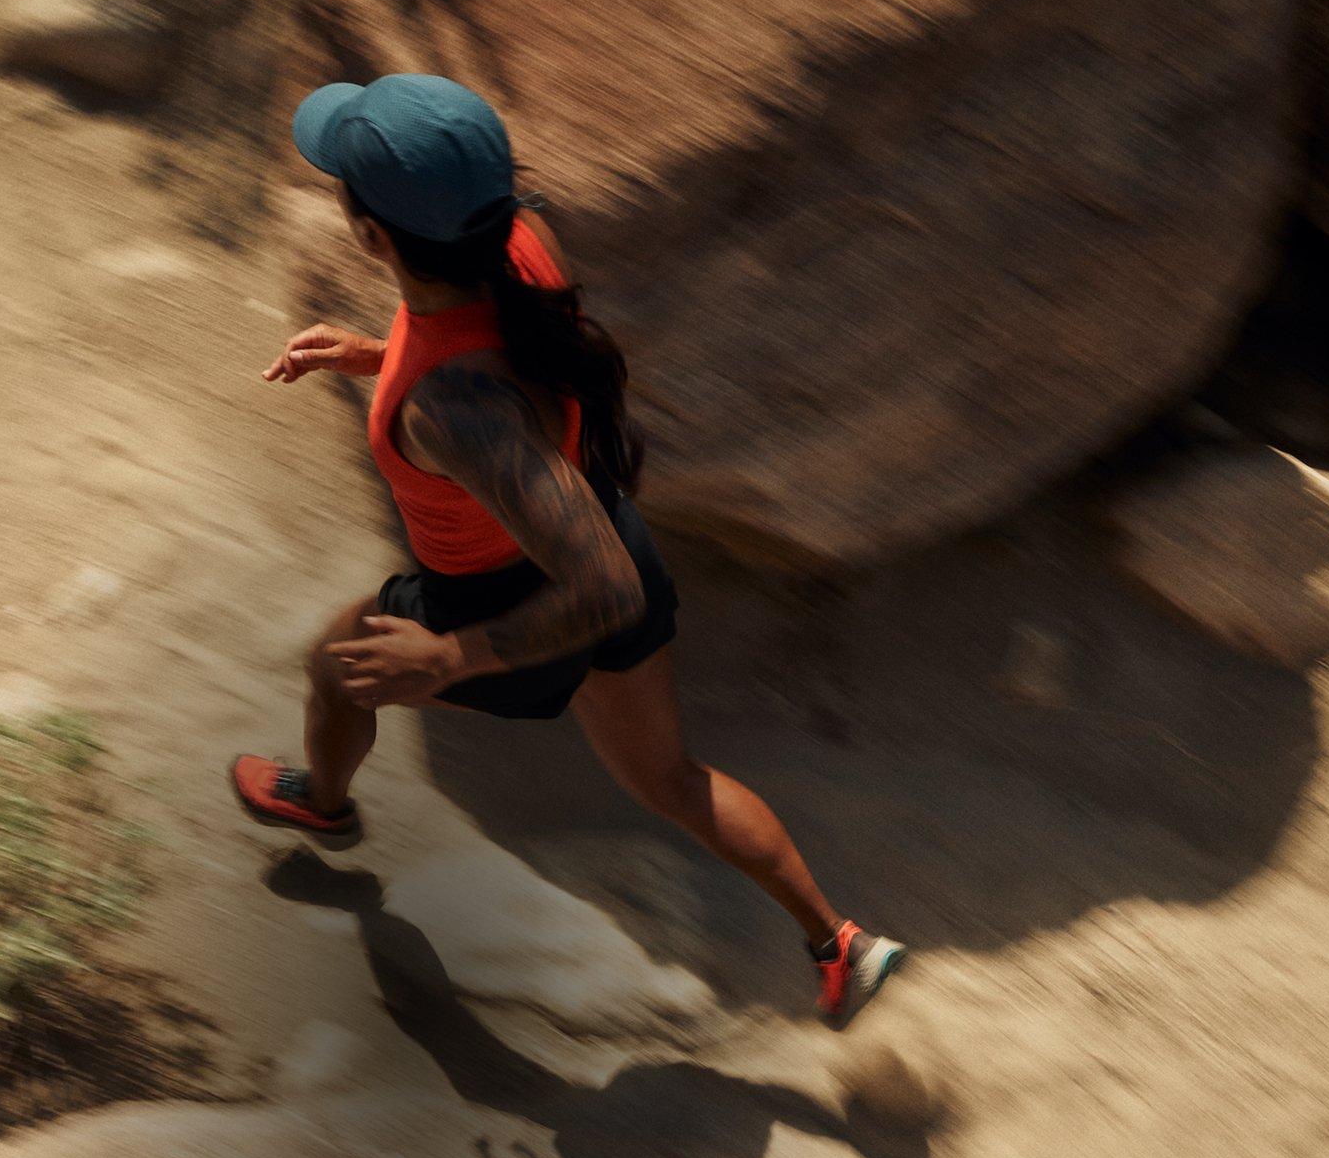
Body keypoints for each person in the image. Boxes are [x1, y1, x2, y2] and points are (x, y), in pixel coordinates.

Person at [229, 73, 904, 1023]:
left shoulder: (453, 412)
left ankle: (323, 805)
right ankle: (844, 945)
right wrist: (381, 355)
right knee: (670, 780)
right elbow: (499, 354)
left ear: (372, 237)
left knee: (338, 665)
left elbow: (595, 579)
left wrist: (450, 654)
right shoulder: (520, 238)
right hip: (596, 521)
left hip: (504, 596)